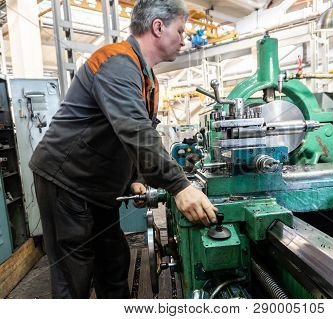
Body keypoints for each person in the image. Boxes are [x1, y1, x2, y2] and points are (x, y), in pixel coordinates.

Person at [29, 0, 216, 299]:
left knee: (114, 264)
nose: (183, 39)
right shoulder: (116, 62)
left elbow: (131, 133)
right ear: (158, 27)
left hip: (97, 187)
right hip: (67, 181)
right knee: (73, 275)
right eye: (180, 30)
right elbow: (133, 129)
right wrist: (179, 186)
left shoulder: (147, 77)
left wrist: (135, 176)